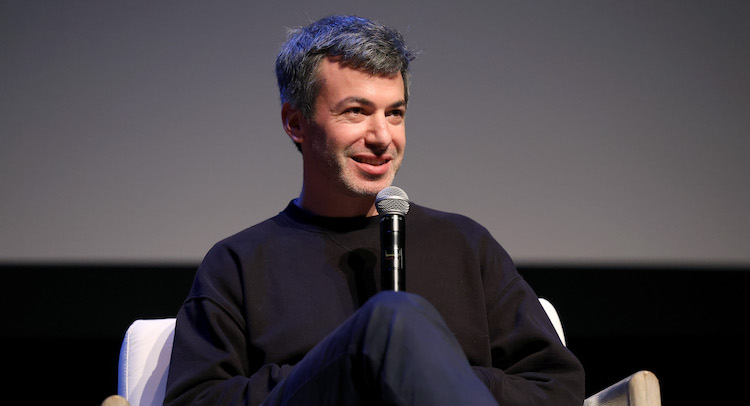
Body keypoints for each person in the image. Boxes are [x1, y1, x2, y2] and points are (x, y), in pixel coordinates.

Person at [164, 15, 585, 406]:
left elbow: (556, 386)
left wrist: (426, 371)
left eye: (395, 113)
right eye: (356, 112)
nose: (383, 136)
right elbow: (196, 399)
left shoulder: (465, 245)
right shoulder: (239, 263)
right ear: (295, 122)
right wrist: (343, 370)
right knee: (390, 319)